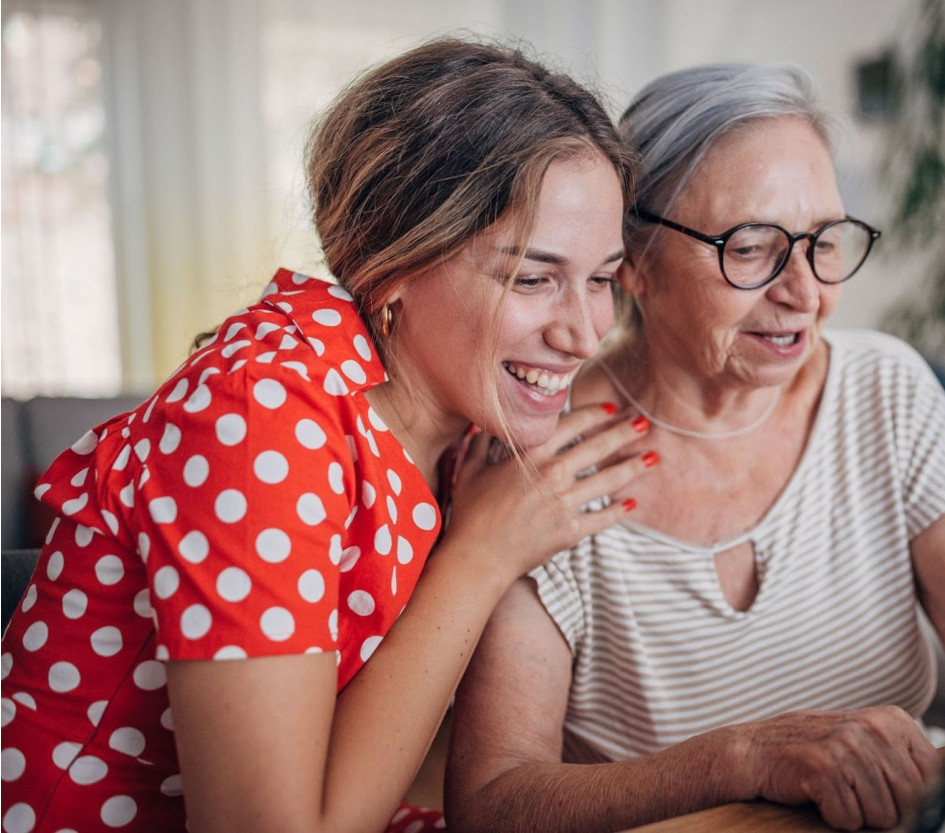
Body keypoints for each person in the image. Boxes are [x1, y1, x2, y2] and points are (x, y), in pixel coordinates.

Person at [444, 62, 945, 833]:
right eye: (752, 247)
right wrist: (742, 755)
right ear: (637, 263)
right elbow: (496, 800)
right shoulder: (539, 453)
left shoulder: (882, 388)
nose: (807, 292)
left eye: (826, 240)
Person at [0, 39, 657, 833]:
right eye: (532, 277)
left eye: (600, 279)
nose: (587, 333)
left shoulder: (456, 421)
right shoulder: (258, 416)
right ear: (393, 263)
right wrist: (481, 555)